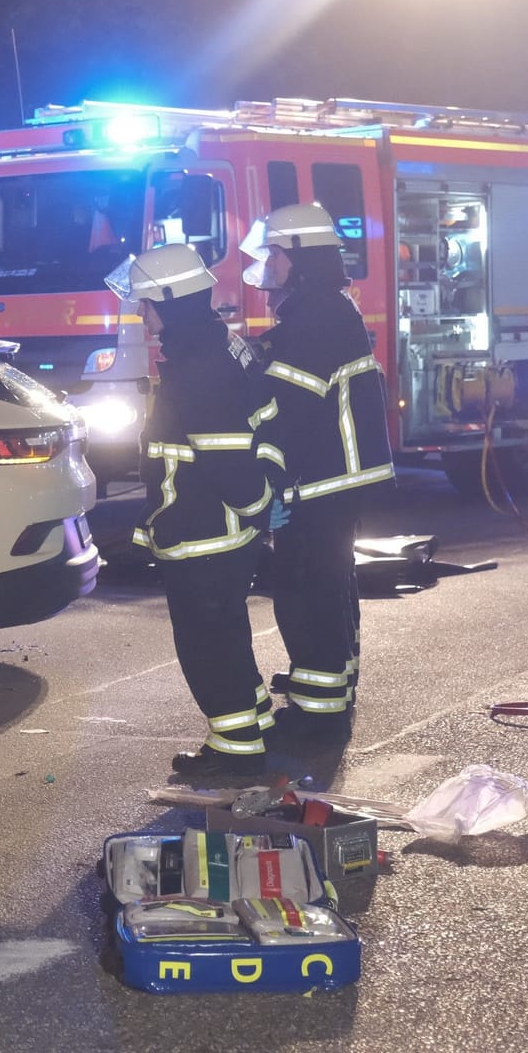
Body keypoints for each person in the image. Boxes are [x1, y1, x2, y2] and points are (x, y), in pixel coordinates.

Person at [110, 245, 278, 777]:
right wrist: (257, 515)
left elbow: (224, 457)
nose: (141, 313)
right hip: (219, 531)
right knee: (226, 629)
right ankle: (252, 718)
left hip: (204, 530)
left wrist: (255, 509)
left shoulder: (197, 364)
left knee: (206, 639)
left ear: (171, 301)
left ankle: (234, 748)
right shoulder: (216, 344)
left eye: (146, 304)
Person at [242, 204, 394, 741]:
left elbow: (292, 410)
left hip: (323, 480)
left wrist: (271, 478)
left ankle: (317, 716)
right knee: (331, 586)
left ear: (299, 259)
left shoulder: (314, 318)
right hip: (337, 479)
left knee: (308, 590)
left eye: (277, 256)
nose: (270, 268)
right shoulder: (324, 311)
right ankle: (328, 691)